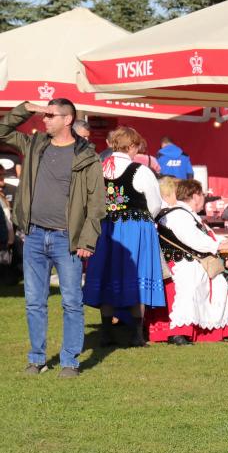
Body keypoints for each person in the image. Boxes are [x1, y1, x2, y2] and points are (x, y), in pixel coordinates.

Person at [0, 100, 104, 377]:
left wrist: (87, 240)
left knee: (71, 302)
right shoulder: (35, 144)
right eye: (44, 114)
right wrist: (25, 109)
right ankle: (37, 359)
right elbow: (1, 131)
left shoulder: (87, 156)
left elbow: (96, 203)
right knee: (34, 302)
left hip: (67, 239)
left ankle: (70, 362)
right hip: (33, 236)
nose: (44, 119)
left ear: (67, 119)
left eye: (50, 115)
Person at [83, 126, 166, 347]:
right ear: (131, 146)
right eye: (137, 146)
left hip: (106, 229)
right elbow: (155, 204)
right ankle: (137, 335)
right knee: (137, 277)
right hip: (135, 228)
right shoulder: (141, 171)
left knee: (108, 277)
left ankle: (106, 333)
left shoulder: (98, 169)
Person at [149, 179, 228, 345]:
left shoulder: (186, 214)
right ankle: (178, 332)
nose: (203, 199)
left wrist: (225, 241)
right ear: (195, 196)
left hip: (189, 261)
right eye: (202, 195)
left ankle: (205, 330)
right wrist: (219, 245)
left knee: (218, 283)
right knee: (191, 284)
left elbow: (205, 235)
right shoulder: (178, 214)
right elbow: (192, 238)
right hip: (179, 264)